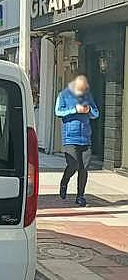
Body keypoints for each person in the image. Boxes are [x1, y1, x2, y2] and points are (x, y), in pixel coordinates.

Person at [55, 74, 99, 207]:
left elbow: (96, 113)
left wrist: (89, 109)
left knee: (84, 167)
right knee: (73, 165)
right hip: (70, 137)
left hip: (85, 137)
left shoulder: (88, 96)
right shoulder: (63, 95)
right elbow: (58, 112)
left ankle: (80, 195)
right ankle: (64, 182)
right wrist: (75, 110)